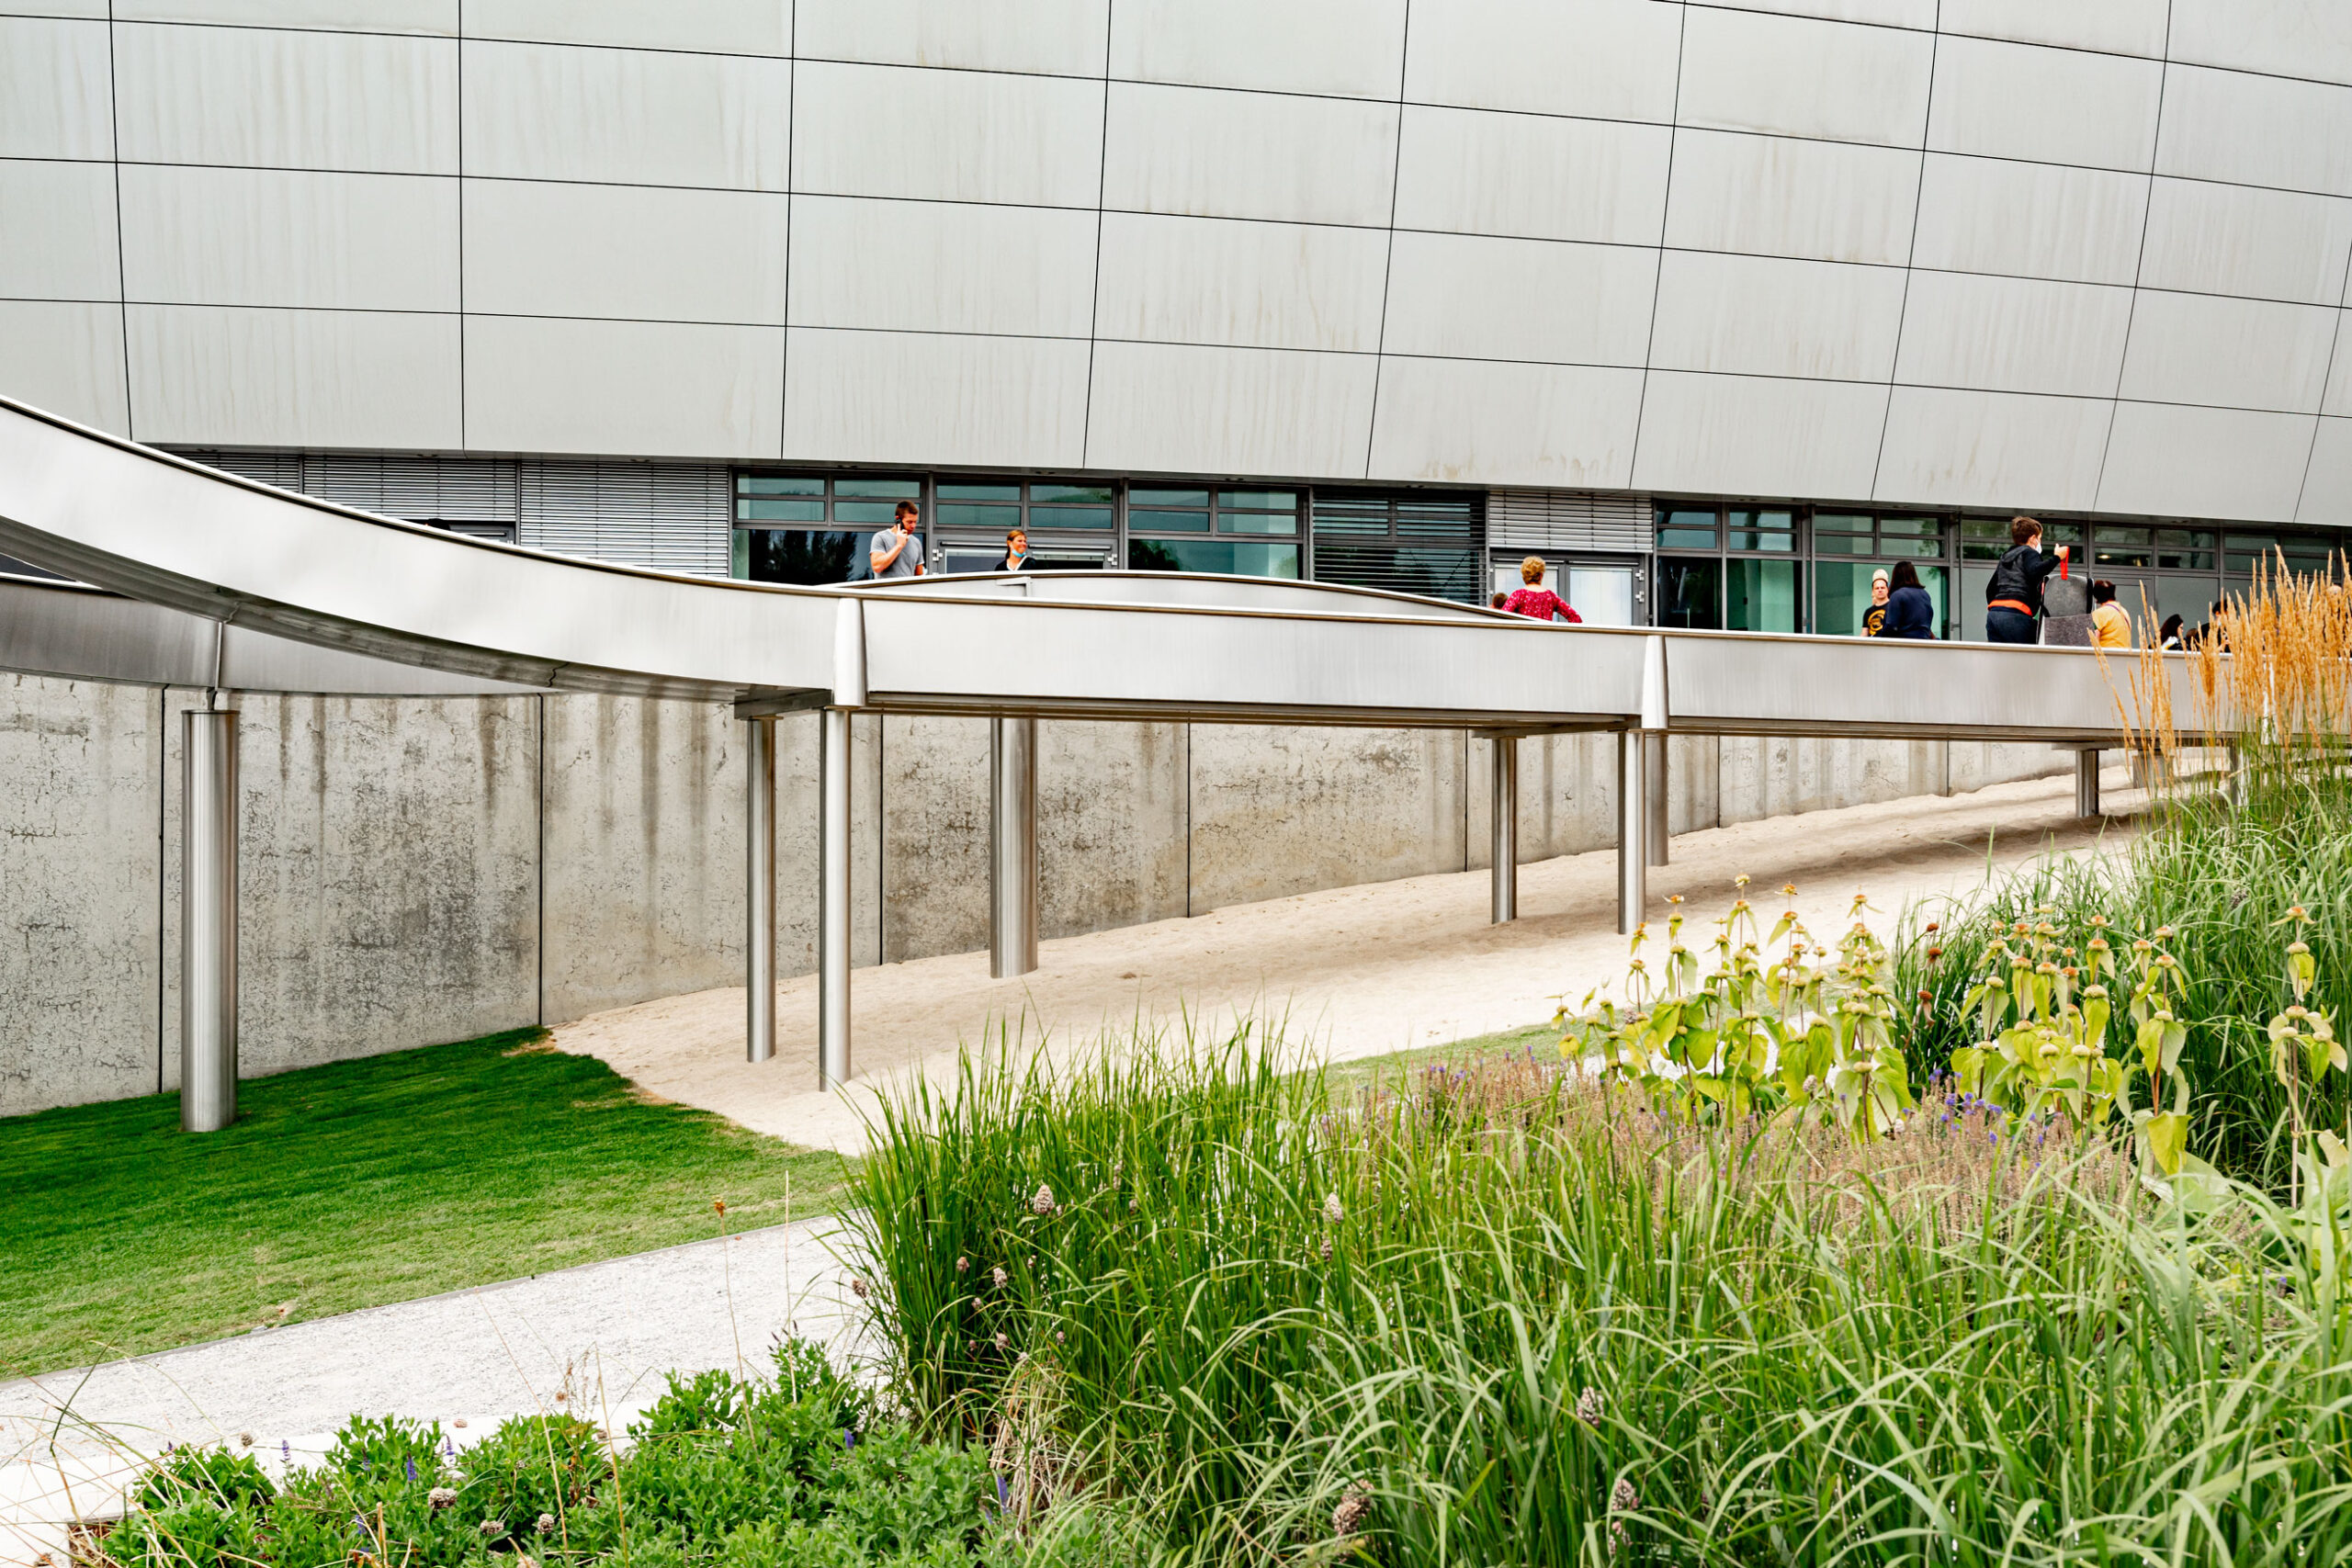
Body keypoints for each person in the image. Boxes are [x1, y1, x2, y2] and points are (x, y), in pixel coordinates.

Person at [1985, 515, 2065, 644]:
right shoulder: (2029, 553)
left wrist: (1999, 608)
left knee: (2000, 658)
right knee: (2027, 656)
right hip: (2016, 615)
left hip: (1994, 615)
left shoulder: (2006, 557)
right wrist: (2057, 557)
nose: (2040, 542)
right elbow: (2037, 571)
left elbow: (1990, 589)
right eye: (2039, 538)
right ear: (2033, 539)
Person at [1500, 556, 1581, 623]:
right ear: (1541, 575)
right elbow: (1575, 618)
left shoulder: (1518, 595)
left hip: (1523, 639)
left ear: (1524, 576)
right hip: (1546, 639)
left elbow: (1502, 619)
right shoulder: (1550, 596)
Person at [867, 501, 924, 580]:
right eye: (909, 522)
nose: (913, 526)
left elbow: (920, 577)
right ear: (898, 519)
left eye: (915, 522)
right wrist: (899, 546)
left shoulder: (916, 542)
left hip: (907, 590)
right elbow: (877, 567)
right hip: (886, 591)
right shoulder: (881, 537)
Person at [1882, 560, 1936, 639]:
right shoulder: (1925, 595)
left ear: (1896, 576)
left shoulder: (1897, 596)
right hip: (1924, 643)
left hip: (1903, 645)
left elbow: (1891, 626)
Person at [2088, 580, 2132, 649]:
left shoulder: (2099, 613)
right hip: (2124, 657)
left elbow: (2093, 640)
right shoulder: (2124, 611)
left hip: (2107, 657)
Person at [1861, 569, 1890, 637]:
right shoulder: (1868, 612)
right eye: (1877, 588)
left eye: (1882, 588)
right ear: (1873, 591)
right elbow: (1864, 634)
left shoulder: (1893, 607)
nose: (1880, 590)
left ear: (1887, 589)